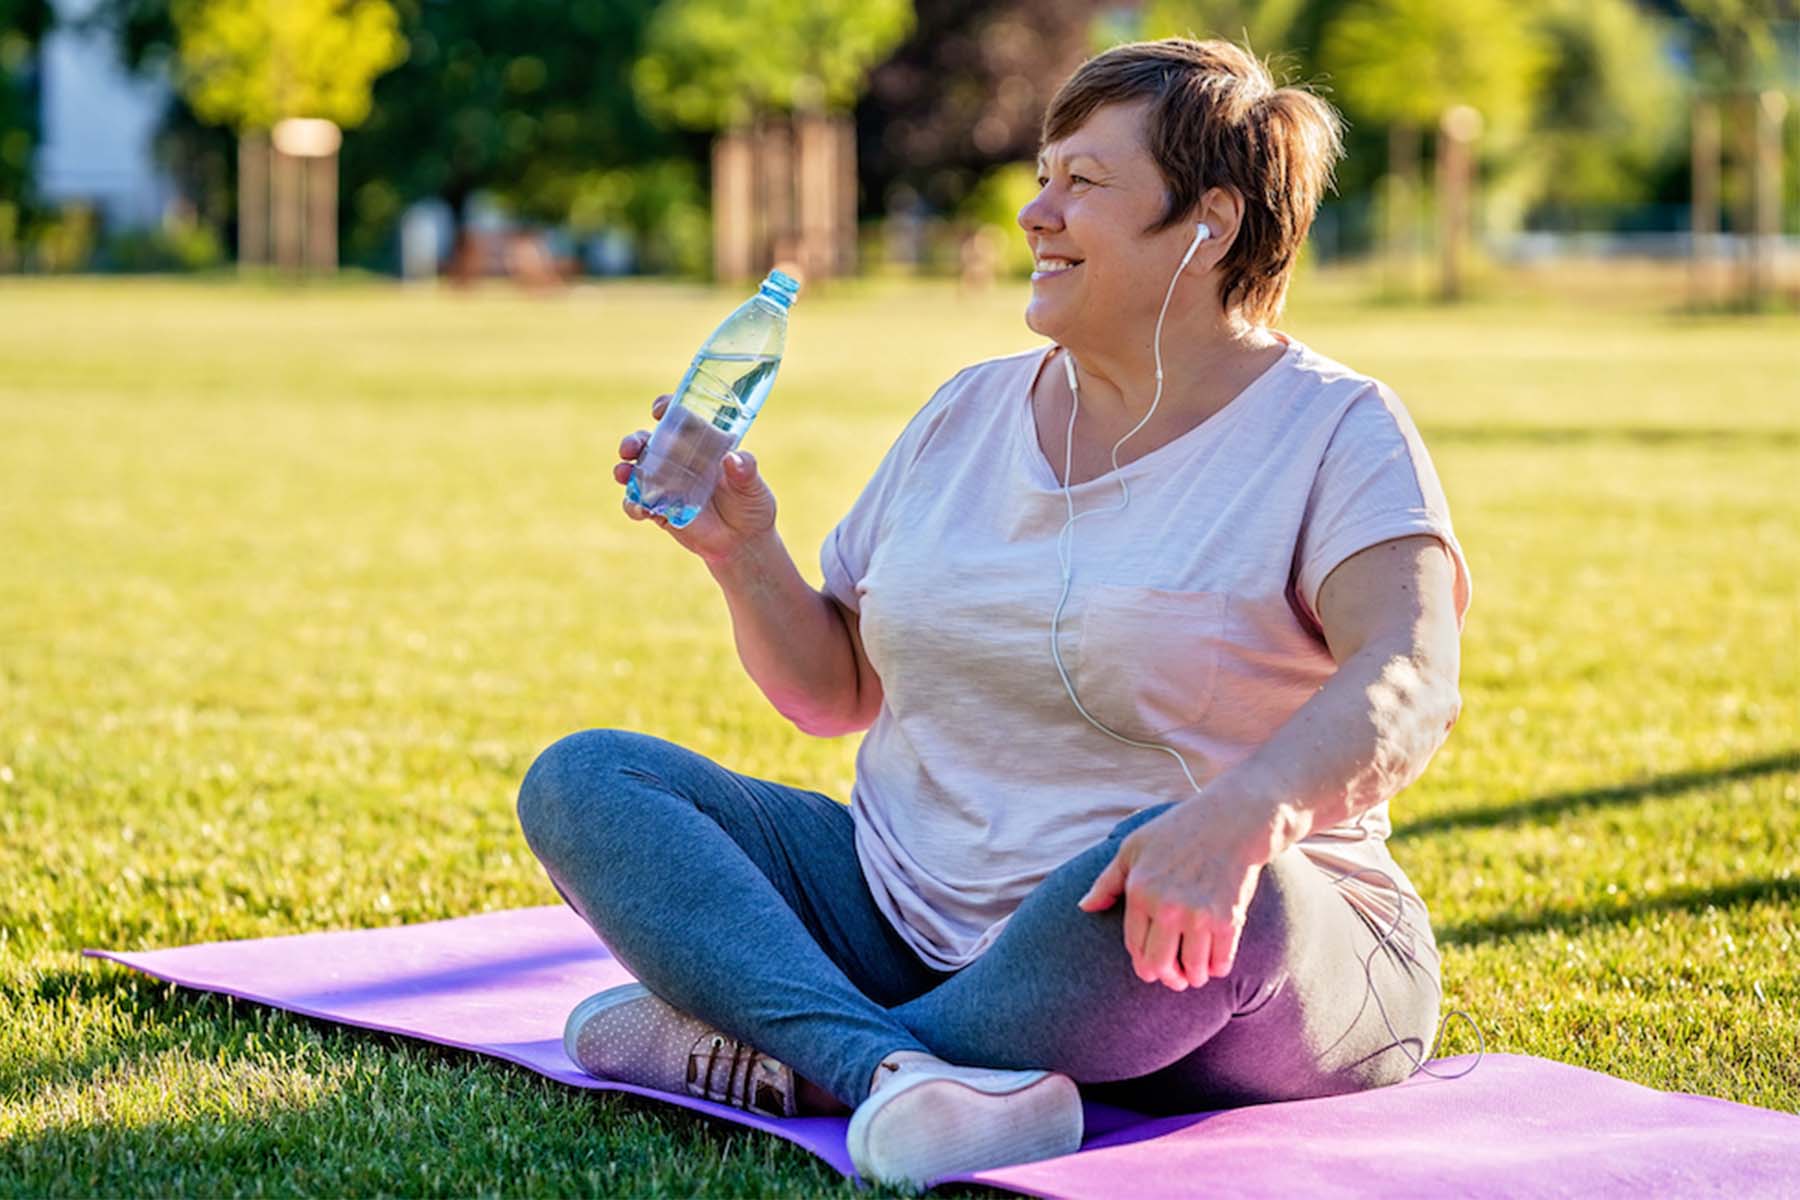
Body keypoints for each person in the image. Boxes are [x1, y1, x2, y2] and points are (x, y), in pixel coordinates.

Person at [518, 37, 1472, 1187]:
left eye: (1084, 182)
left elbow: (1408, 677)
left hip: (1186, 939)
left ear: (1208, 223)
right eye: (1042, 175)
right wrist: (745, 555)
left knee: (1210, 885)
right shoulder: (965, 412)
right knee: (590, 781)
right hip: (899, 915)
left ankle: (796, 1049)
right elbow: (834, 695)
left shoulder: (1334, 428)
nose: (1035, 213)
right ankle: (891, 1065)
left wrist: (1244, 817)